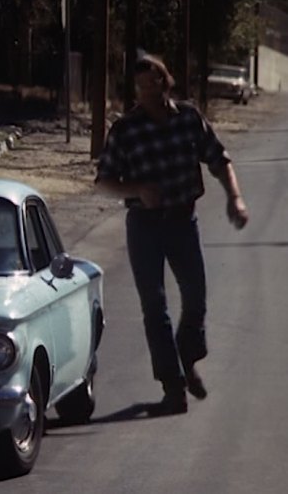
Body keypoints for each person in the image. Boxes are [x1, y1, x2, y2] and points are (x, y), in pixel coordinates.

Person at [95, 55, 249, 416]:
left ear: (168, 81)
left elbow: (219, 159)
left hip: (183, 220)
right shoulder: (125, 130)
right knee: (155, 306)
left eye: (157, 81)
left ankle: (187, 358)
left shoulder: (189, 119)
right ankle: (173, 386)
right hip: (144, 225)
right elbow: (103, 182)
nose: (151, 90)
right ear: (134, 90)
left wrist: (235, 198)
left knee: (195, 297)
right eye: (143, 85)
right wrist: (136, 189)